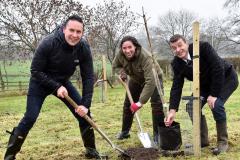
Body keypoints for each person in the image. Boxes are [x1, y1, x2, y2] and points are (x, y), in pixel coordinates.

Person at [4, 15, 104, 160]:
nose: (75, 35)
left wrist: (85, 104)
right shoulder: (48, 42)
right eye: (71, 30)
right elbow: (35, 71)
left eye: (79, 32)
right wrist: (56, 87)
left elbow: (88, 77)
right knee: (30, 117)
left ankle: (91, 151)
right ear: (64, 29)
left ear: (82, 33)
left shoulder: (83, 48)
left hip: (63, 82)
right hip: (40, 83)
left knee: (84, 114)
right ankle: (9, 156)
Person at [165, 34, 239, 155]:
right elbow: (176, 87)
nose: (178, 50)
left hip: (226, 77)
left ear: (186, 43)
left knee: (217, 104)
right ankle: (202, 140)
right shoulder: (177, 64)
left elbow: (218, 68)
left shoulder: (203, 48)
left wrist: (214, 95)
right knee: (192, 106)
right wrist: (172, 110)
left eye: (180, 45)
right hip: (204, 85)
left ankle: (222, 142)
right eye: (174, 48)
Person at [112, 36, 164, 144]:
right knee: (128, 104)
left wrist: (140, 102)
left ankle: (158, 135)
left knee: (157, 105)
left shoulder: (145, 57)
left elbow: (150, 81)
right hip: (136, 79)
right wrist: (122, 72)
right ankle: (125, 132)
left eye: (130, 47)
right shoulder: (120, 55)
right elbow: (115, 66)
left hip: (154, 79)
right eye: (124, 48)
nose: (127, 50)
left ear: (135, 46)